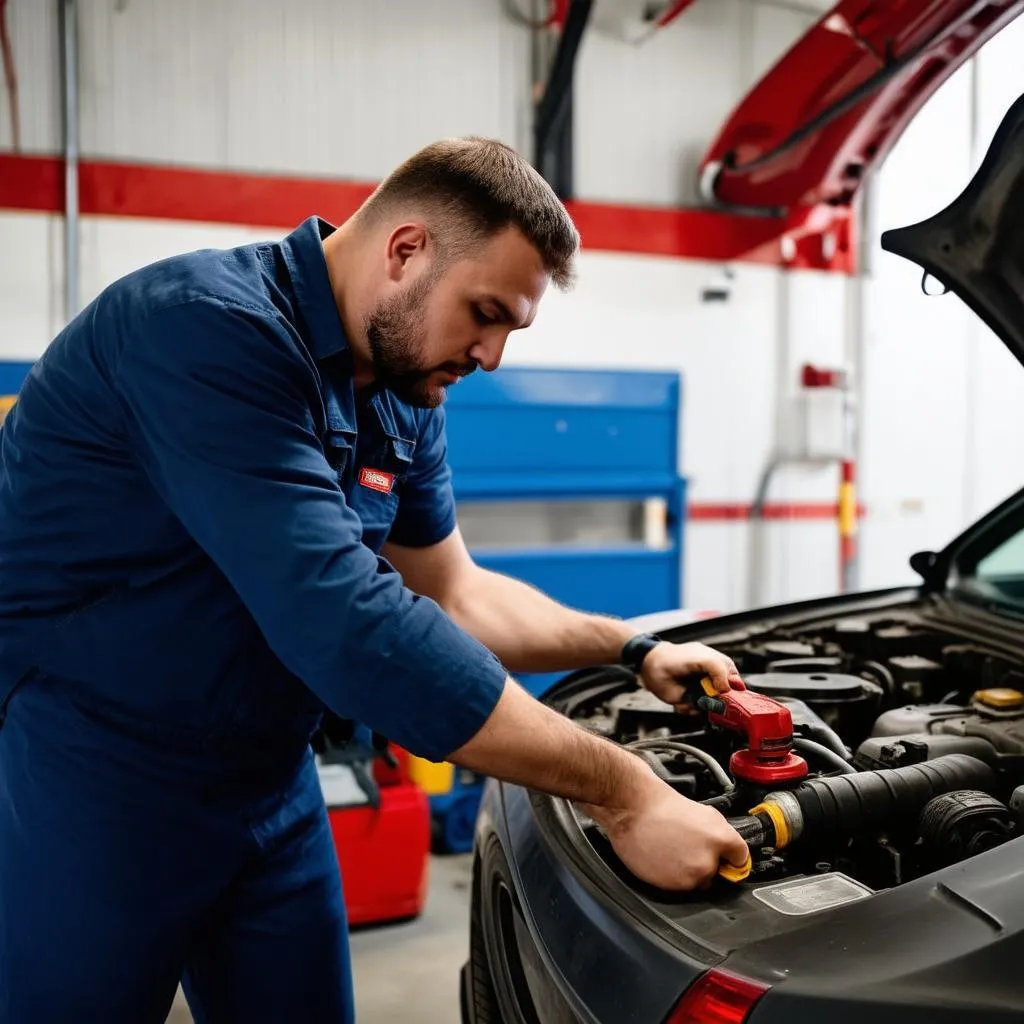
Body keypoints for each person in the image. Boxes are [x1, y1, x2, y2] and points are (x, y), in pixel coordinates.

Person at [0, 136, 748, 1023]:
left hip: (272, 780)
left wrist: (631, 647)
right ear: (406, 250)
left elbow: (454, 592)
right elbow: (351, 625)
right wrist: (621, 790)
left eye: (511, 327)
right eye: (485, 313)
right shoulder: (202, 330)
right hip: (95, 780)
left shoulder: (400, 385)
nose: (493, 356)